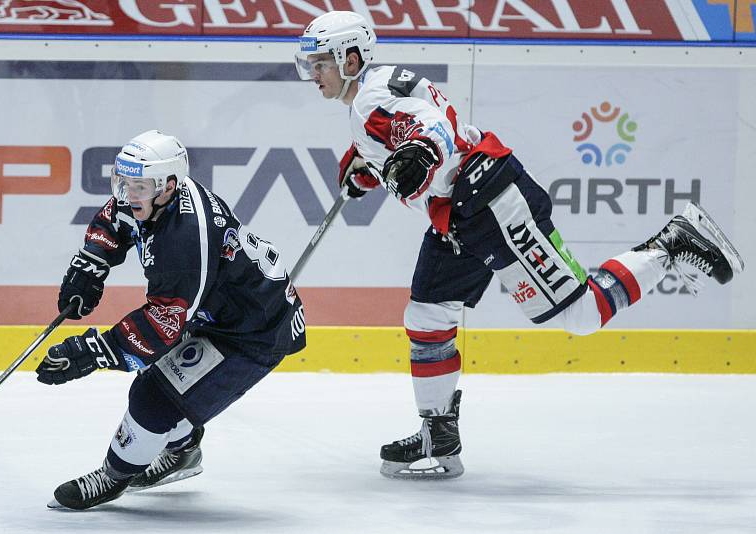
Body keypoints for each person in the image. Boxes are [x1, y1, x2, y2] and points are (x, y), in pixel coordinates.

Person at [294, 11, 744, 480]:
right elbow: (403, 129)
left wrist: (419, 151)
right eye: (309, 65)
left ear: (350, 58)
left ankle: (672, 243)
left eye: (321, 64)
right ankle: (438, 437)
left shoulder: (369, 100)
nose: (314, 76)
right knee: (427, 315)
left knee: (581, 313)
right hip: (460, 215)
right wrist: (371, 163)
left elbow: (431, 129)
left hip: (493, 204)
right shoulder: (377, 90)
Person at [35, 130, 306, 509]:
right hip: (218, 313)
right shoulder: (155, 196)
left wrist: (92, 351)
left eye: (138, 186)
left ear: (168, 186)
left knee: (152, 398)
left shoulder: (184, 239)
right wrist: (92, 263)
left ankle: (114, 476)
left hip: (252, 334)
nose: (129, 194)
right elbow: (116, 219)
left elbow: (161, 325)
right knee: (164, 381)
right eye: (124, 182)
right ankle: (181, 452)